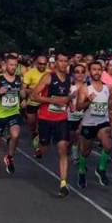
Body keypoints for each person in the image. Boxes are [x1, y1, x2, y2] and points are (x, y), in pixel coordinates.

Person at [32, 52, 76, 197]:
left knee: (62, 149)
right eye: (61, 61)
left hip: (61, 118)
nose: (63, 63)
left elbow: (66, 97)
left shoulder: (69, 78)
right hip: (45, 118)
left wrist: (70, 103)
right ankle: (39, 143)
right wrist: (53, 101)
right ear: (55, 62)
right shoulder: (48, 77)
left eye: (65, 61)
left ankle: (63, 183)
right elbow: (34, 95)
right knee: (44, 151)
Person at [75, 61, 112, 189]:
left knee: (108, 145)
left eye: (99, 69)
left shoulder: (106, 88)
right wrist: (88, 101)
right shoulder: (85, 88)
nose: (97, 72)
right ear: (89, 71)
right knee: (85, 152)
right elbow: (78, 107)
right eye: (94, 69)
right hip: (88, 123)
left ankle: (101, 169)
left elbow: (110, 105)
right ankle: (81, 171)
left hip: (102, 122)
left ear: (102, 71)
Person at [0, 54, 24, 180]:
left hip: (14, 113)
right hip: (0, 115)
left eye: (15, 65)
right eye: (11, 65)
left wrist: (24, 98)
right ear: (5, 65)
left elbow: (22, 93)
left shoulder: (19, 78)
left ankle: (9, 157)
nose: (13, 67)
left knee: (15, 135)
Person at [22, 55, 49, 158]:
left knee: (40, 126)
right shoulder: (30, 73)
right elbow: (24, 88)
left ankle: (38, 148)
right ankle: (34, 135)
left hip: (43, 104)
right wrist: (32, 93)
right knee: (32, 125)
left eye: (44, 64)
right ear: (36, 63)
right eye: (40, 64)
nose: (42, 66)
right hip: (32, 103)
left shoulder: (50, 73)